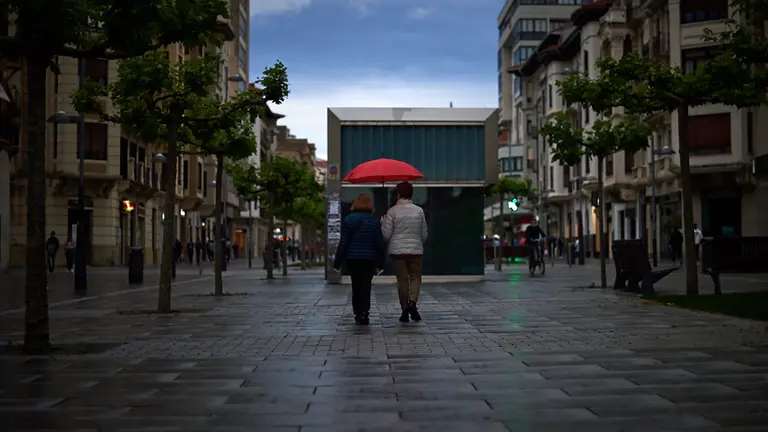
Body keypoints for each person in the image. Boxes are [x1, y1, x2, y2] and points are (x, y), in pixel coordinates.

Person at [333, 194, 385, 325]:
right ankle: (364, 312)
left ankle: (357, 312)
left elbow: (343, 242)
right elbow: (378, 242)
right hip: (368, 259)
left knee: (356, 286)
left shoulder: (349, 220)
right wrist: (381, 262)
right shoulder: (374, 221)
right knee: (366, 287)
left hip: (353, 258)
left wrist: (337, 261)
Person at [381, 181, 428, 323]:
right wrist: (418, 243)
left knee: (402, 280)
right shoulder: (419, 210)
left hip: (398, 251)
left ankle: (404, 310)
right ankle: (412, 302)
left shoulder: (392, 211)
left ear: (399, 193)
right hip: (415, 250)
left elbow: (386, 236)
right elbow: (424, 234)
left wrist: (383, 224)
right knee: (415, 277)